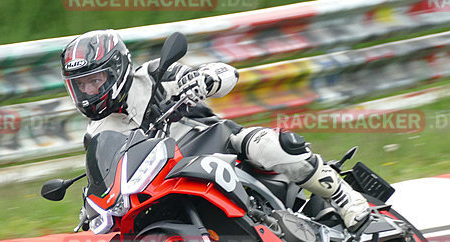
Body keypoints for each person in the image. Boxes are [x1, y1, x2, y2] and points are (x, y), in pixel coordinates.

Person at [61, 29, 371, 230]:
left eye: (95, 81)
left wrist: (204, 79)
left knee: (265, 143)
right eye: (81, 85)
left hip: (216, 144)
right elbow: (106, 170)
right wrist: (91, 204)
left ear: (116, 70)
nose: (88, 91)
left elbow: (226, 72)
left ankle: (344, 197)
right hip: (167, 179)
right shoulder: (96, 132)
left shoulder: (153, 75)